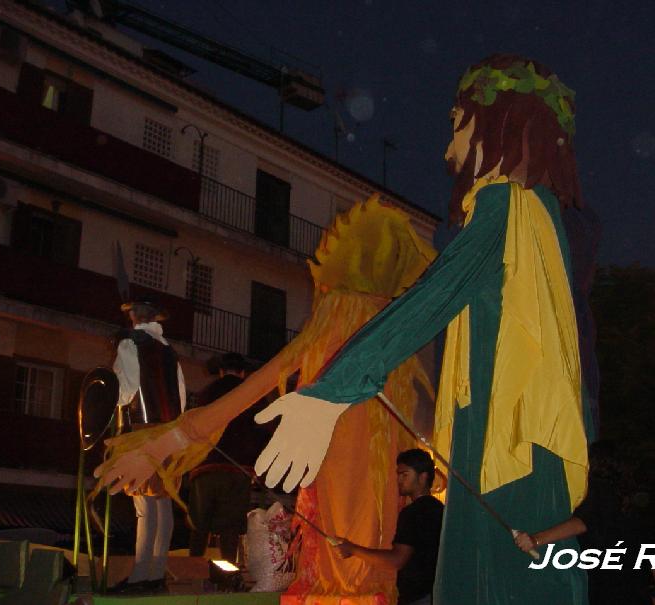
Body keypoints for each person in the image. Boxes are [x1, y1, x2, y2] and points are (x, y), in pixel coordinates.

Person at [251, 54, 593, 604]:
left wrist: (331, 391)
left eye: (457, 125)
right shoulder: (540, 217)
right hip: (515, 432)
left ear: (498, 122)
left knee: (494, 577)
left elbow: (434, 295)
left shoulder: (507, 205)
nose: (447, 149)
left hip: (503, 439)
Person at [94, 197, 437, 604]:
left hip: (334, 468)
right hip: (354, 475)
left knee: (336, 552)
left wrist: (162, 444)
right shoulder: (392, 332)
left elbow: (252, 388)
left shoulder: (340, 316)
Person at [513, 441, 655, 605]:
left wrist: (536, 539)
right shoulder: (631, 506)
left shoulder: (599, 492)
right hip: (636, 596)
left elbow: (580, 523)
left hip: (607, 595)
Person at [110, 298, 186, 594]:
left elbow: (124, 391)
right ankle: (155, 575)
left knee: (144, 504)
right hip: (170, 432)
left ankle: (141, 577)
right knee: (163, 500)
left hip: (142, 429)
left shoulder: (130, 344)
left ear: (133, 317)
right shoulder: (169, 350)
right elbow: (180, 395)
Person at [187, 352, 272, 562]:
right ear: (243, 373)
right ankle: (228, 574)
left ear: (221, 372)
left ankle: (193, 571)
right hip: (238, 469)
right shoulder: (253, 395)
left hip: (205, 466)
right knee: (230, 527)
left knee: (199, 524)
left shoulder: (205, 394)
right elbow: (264, 430)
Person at [334, 449, 444, 605]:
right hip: (436, 594)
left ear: (423, 477)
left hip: (419, 598)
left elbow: (397, 559)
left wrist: (352, 549)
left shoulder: (412, 513)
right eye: (398, 474)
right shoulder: (440, 509)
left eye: (405, 474)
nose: (399, 479)